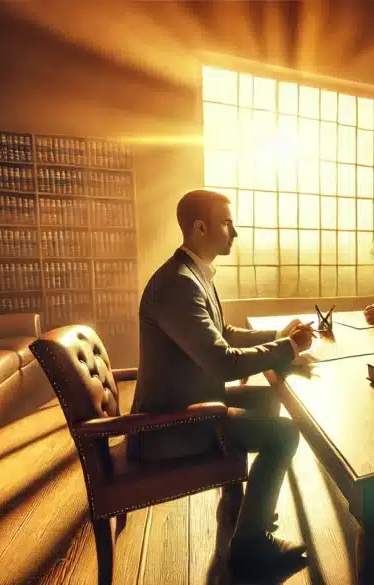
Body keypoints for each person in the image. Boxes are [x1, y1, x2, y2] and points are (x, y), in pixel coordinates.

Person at [131, 189, 315, 573]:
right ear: (200, 227)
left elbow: (224, 333)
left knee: (266, 401)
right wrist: (289, 349)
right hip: (172, 424)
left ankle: (244, 509)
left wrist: (280, 338)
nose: (236, 232)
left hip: (189, 401)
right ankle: (250, 547)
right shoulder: (178, 284)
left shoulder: (192, 273)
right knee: (283, 434)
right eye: (228, 223)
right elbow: (223, 361)